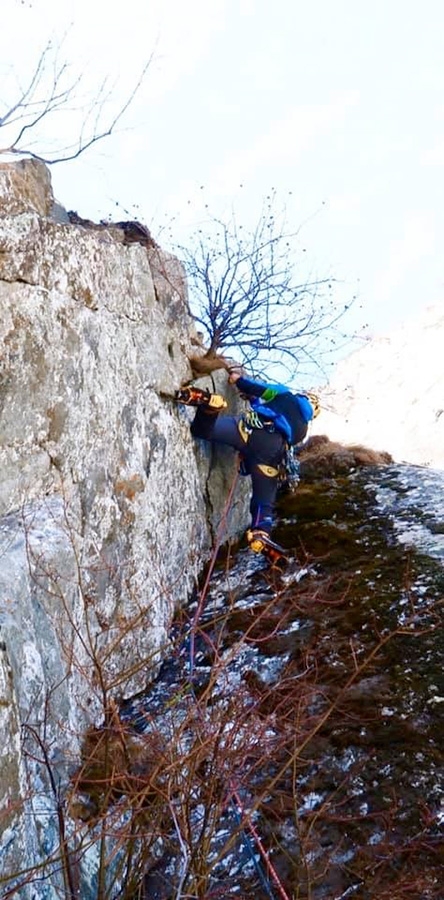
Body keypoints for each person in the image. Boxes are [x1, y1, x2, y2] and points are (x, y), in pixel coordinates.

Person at [175, 370, 320, 563]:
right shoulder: (302, 430)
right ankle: (261, 531)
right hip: (270, 453)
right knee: (264, 499)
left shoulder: (285, 394)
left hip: (249, 429)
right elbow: (278, 423)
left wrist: (238, 380)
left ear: (303, 395)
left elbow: (258, 390)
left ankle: (211, 406)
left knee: (203, 430)